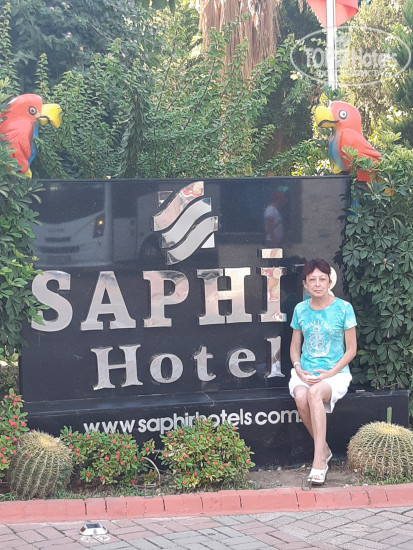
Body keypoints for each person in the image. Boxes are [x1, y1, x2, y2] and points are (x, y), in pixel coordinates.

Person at [289, 259, 357, 485]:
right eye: (312, 280)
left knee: (314, 393)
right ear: (305, 284)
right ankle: (325, 448)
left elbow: (351, 349)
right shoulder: (300, 309)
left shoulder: (344, 308)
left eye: (322, 279)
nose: (317, 284)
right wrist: (298, 367)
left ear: (329, 281)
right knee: (301, 395)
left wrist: (329, 373)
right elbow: (294, 347)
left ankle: (319, 461)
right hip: (305, 372)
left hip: (335, 374)